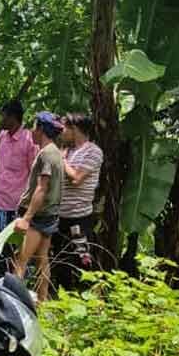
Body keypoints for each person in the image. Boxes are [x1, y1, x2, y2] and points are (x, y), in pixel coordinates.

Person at [12, 112, 65, 303]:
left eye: (34, 127)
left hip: (39, 216)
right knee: (43, 259)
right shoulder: (56, 152)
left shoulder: (47, 155)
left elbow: (42, 188)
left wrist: (27, 218)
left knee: (21, 260)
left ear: (41, 129)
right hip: (50, 214)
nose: (31, 131)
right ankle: (42, 302)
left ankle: (14, 303)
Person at [51, 112, 103, 289]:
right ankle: (65, 302)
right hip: (61, 216)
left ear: (75, 129)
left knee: (83, 260)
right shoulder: (69, 151)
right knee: (61, 262)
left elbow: (76, 178)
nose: (61, 132)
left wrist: (62, 159)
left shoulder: (93, 151)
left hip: (79, 218)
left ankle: (87, 301)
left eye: (64, 128)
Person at [0, 100, 38, 233]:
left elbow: (34, 172)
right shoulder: (2, 137)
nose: (2, 120)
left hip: (16, 205)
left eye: (4, 117)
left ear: (13, 117)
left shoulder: (29, 140)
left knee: (13, 244)